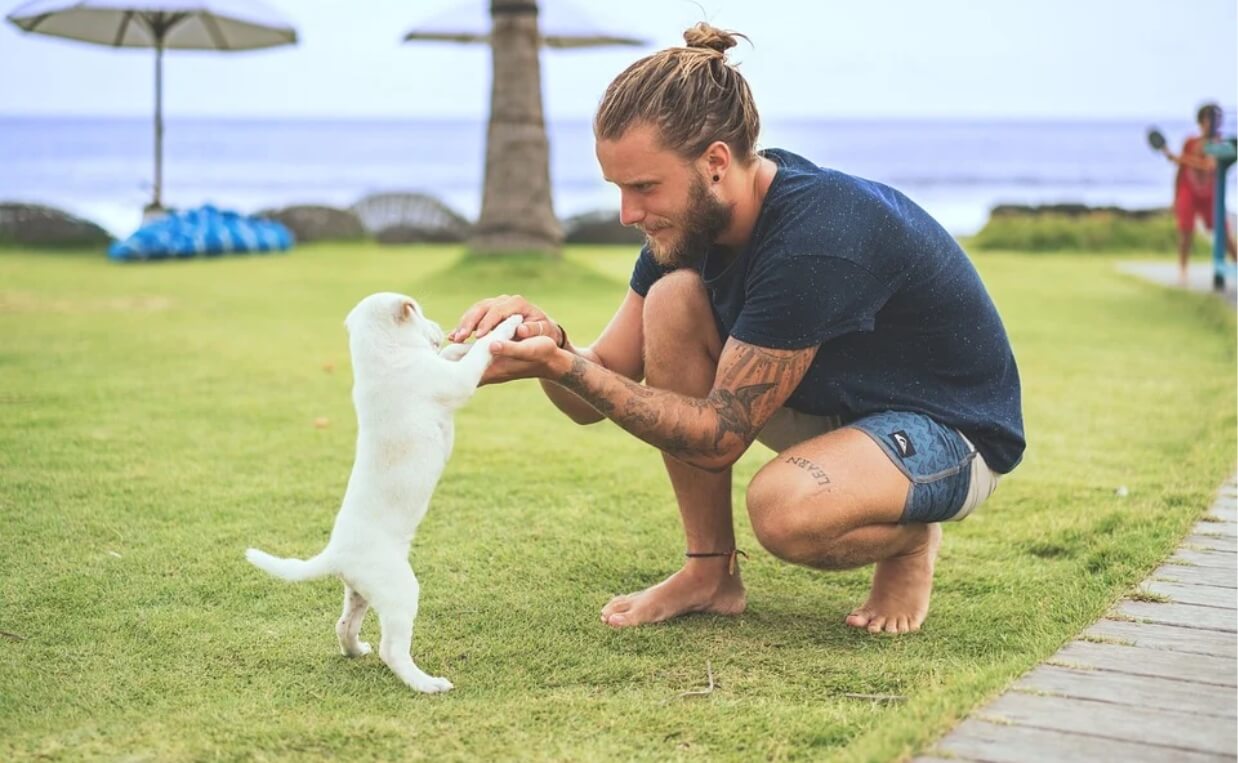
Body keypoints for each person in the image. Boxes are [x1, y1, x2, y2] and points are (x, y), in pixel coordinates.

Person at [449, 23, 1025, 635]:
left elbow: (721, 434)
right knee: (671, 300)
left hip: (949, 432)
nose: (628, 214)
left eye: (644, 187)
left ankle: (908, 544)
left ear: (716, 163)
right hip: (834, 409)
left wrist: (564, 366)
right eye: (619, 188)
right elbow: (599, 386)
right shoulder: (686, 229)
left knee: (784, 513)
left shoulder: (815, 234)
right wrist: (549, 340)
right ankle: (709, 572)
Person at [1160, 102, 1237, 284]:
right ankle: (1183, 271)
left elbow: (1210, 166)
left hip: (1211, 193)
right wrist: (1175, 195)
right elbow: (1180, 171)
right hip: (1189, 190)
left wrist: (1179, 158)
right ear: (1201, 121)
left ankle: (1235, 264)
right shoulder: (1190, 142)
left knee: (1223, 233)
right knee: (1185, 231)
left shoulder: (1220, 143)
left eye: (1217, 119)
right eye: (1210, 119)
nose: (1213, 123)